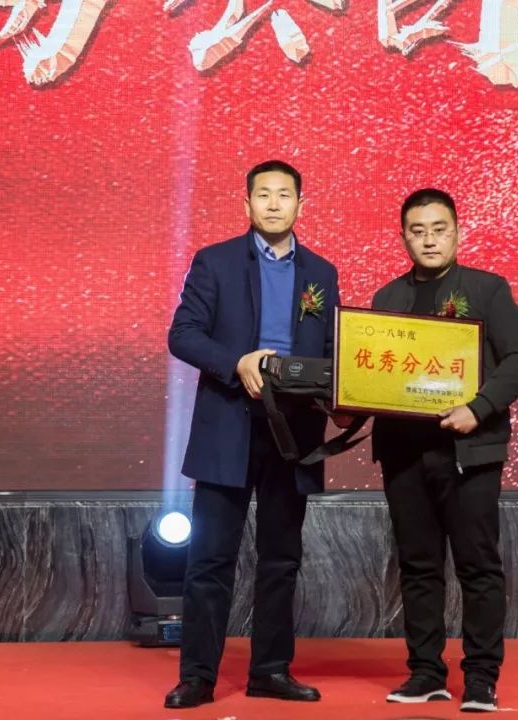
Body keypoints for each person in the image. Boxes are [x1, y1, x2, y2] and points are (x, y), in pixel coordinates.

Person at [163, 160, 340, 709]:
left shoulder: (322, 272)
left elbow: (334, 350)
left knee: (281, 559)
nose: (273, 204)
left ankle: (270, 670)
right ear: (246, 204)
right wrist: (235, 362)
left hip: (295, 432)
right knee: (210, 559)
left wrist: (344, 397)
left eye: (284, 195)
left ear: (301, 205)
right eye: (263, 194)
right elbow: (183, 334)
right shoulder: (214, 262)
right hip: (229, 426)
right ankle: (197, 676)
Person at [372, 188, 518, 713]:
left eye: (439, 229)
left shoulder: (487, 289)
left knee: (477, 566)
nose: (429, 240)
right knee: (418, 567)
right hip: (404, 454)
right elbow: (371, 371)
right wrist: (348, 403)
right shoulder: (386, 299)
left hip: (469, 452)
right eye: (417, 231)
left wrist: (479, 407)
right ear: (404, 237)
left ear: (458, 233)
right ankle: (425, 672)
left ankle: (482, 677)